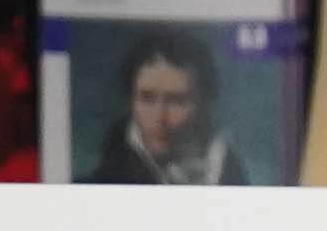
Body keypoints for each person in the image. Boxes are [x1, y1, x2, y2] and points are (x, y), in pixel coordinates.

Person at [81, 26, 242, 185]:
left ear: (203, 103)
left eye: (177, 101)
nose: (160, 117)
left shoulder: (227, 174)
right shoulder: (96, 185)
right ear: (131, 100)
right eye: (147, 98)